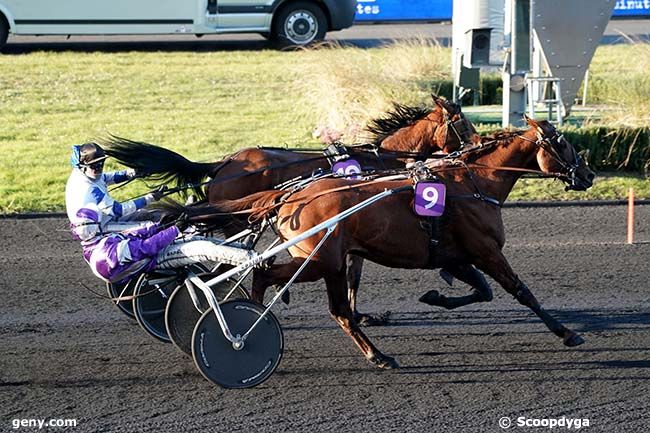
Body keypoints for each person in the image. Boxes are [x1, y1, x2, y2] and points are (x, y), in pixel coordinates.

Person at [66, 142, 255, 284]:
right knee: (199, 247)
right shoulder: (90, 195)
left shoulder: (99, 241)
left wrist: (133, 173)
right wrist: (167, 222)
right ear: (82, 166)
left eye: (101, 164)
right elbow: (124, 218)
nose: (99, 169)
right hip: (145, 252)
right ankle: (254, 259)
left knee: (158, 222)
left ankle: (239, 247)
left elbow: (139, 233)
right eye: (95, 166)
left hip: (118, 242)